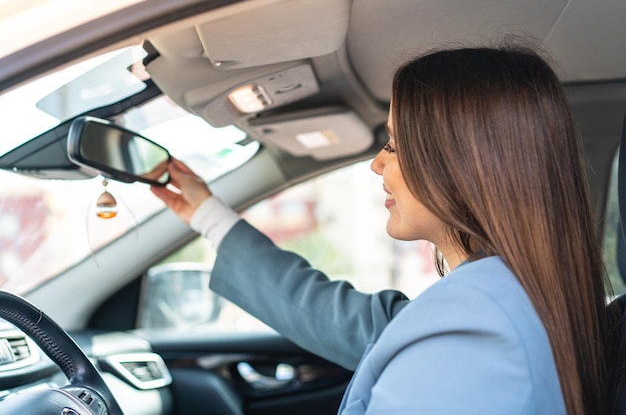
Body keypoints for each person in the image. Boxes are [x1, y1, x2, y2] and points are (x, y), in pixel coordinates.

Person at [151, 43, 623, 414]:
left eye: (394, 144)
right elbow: (334, 315)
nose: (377, 164)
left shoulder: (475, 328)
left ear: (460, 163)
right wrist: (206, 213)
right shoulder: (499, 302)